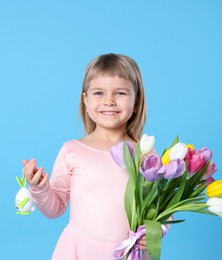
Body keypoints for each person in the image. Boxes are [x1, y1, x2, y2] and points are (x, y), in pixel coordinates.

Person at [23, 53, 148, 259]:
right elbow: (55, 209)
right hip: (77, 252)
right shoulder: (72, 151)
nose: (109, 101)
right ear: (85, 100)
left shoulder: (145, 155)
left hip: (127, 253)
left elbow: (161, 207)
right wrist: (39, 188)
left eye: (120, 93)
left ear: (136, 101)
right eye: (99, 93)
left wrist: (154, 232)